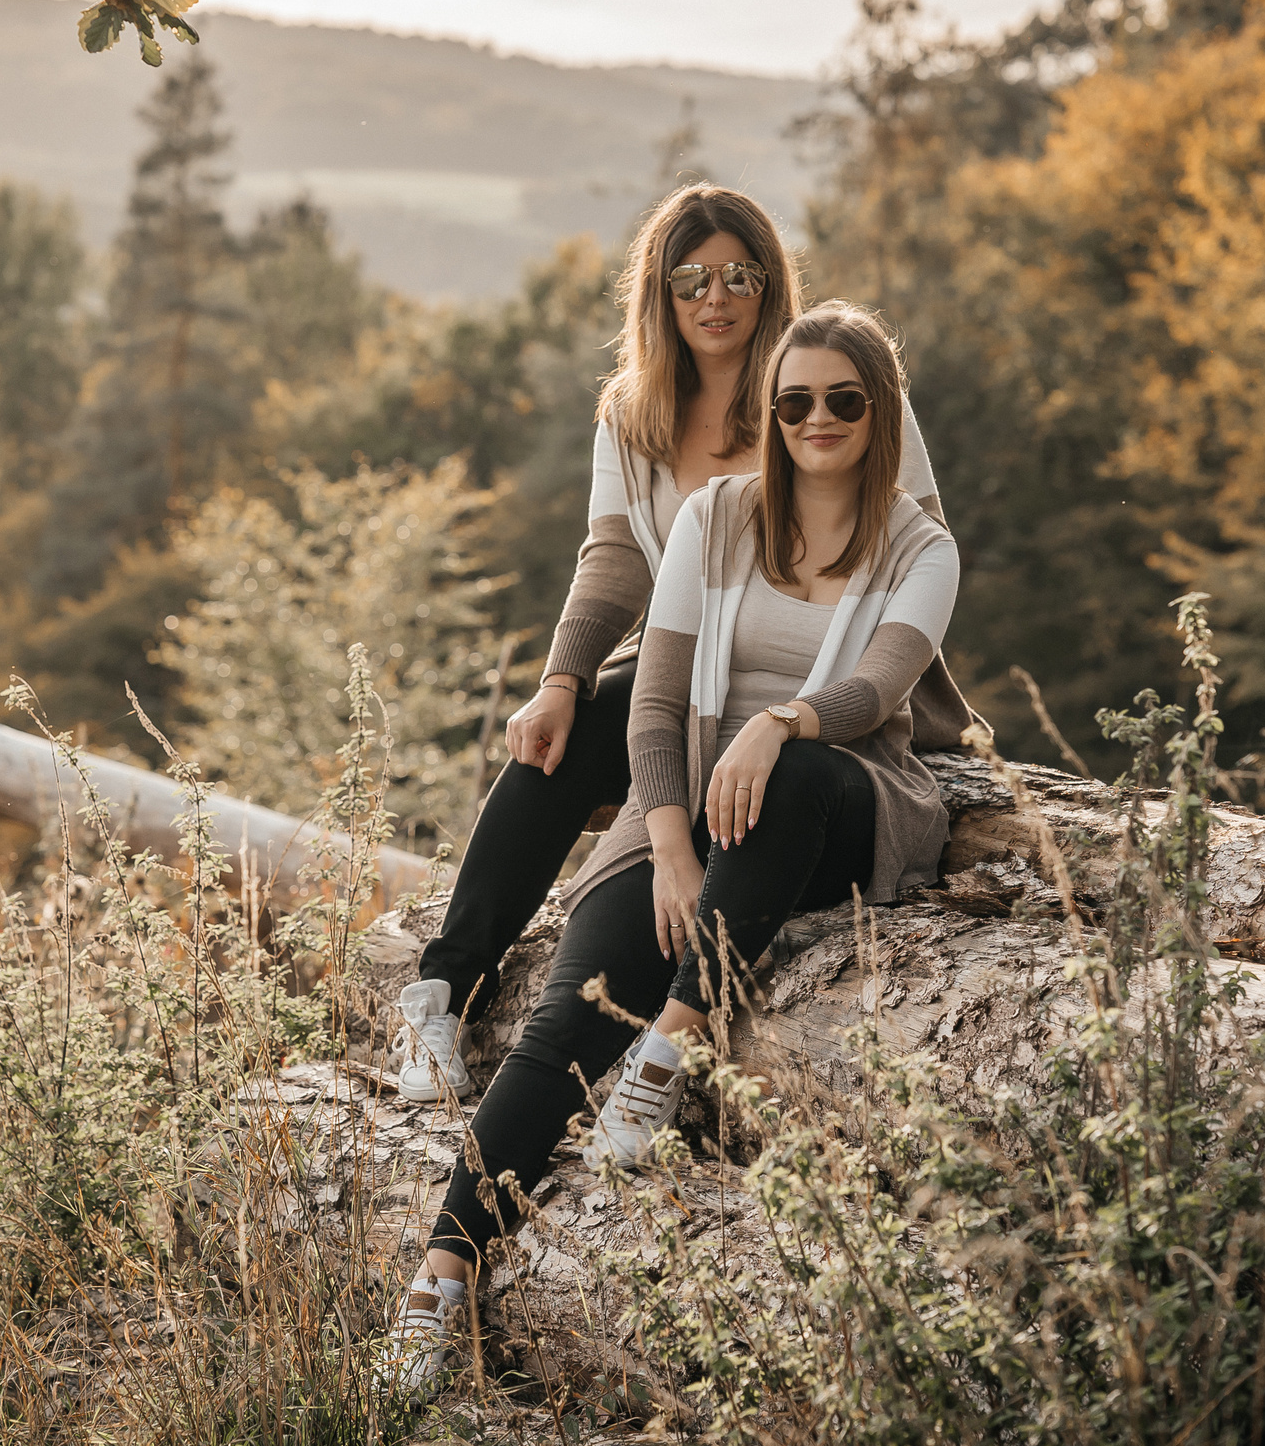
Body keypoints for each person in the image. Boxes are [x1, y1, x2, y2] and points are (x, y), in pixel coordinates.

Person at [377, 303, 964, 1400]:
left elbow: (877, 686)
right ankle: (441, 1270)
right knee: (565, 1016)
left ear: (881, 412)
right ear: (773, 415)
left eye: (844, 400)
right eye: (794, 402)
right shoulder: (714, 517)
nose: (817, 419)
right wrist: (668, 849)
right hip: (694, 815)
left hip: (839, 801)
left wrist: (778, 721)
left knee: (789, 772)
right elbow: (650, 704)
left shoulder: (918, 546)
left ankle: (675, 1041)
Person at [389, 185, 972, 1104]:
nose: (716, 296)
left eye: (741, 274)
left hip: (815, 695)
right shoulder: (631, 415)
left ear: (770, 285)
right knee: (567, 730)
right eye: (691, 277)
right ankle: (440, 990)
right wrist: (558, 677)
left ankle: (657, 1039)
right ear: (658, 294)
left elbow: (914, 544)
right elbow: (615, 559)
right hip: (687, 684)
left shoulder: (832, 392)